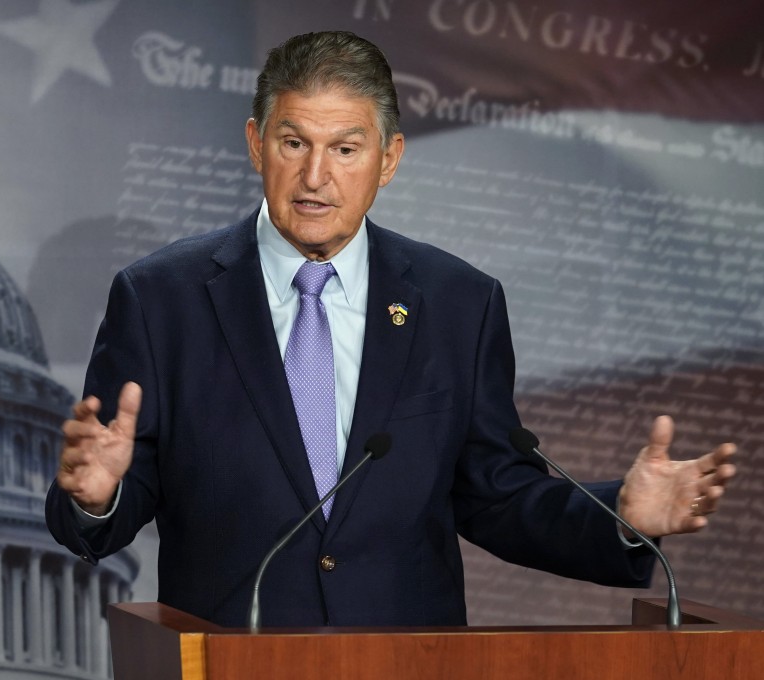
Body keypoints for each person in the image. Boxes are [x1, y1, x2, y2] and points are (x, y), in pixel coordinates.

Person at [46, 31, 736, 628]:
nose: (316, 176)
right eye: (294, 142)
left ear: (390, 158)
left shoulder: (458, 304)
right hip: (230, 655)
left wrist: (621, 514)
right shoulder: (162, 299)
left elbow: (497, 492)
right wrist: (97, 496)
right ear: (257, 144)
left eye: (346, 149)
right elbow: (115, 497)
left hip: (410, 658)